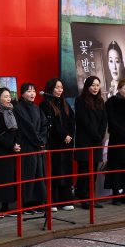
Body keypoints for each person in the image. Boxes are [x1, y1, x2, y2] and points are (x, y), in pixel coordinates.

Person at [39, 78, 76, 211]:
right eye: (56, 87)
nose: (59, 90)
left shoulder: (65, 104)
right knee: (54, 171)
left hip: (67, 143)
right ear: (50, 89)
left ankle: (65, 200)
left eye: (61, 88)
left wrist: (69, 135)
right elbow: (52, 124)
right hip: (54, 143)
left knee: (66, 170)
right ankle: (53, 200)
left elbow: (72, 121)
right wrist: (63, 135)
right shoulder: (45, 105)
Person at [13, 83, 48, 214]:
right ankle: (26, 204)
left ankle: (37, 203)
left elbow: (44, 125)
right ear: (22, 94)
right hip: (27, 145)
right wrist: (38, 141)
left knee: (39, 174)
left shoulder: (37, 108)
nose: (32, 93)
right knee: (28, 174)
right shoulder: (18, 109)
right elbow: (27, 128)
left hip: (38, 146)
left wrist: (42, 140)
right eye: (28, 91)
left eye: (33, 91)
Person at [0, 88, 21, 217]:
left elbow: (16, 131)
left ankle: (6, 207)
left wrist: (16, 144)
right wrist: (11, 145)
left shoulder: (12, 112)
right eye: (5, 96)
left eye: (9, 96)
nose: (8, 98)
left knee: (9, 179)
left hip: (11, 150)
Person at [74, 76, 107, 209]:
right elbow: (83, 121)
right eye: (93, 85)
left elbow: (104, 120)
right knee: (84, 171)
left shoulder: (100, 101)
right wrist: (95, 134)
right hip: (85, 141)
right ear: (87, 86)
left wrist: (101, 134)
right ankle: (83, 198)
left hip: (97, 141)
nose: (95, 88)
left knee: (93, 171)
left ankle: (91, 197)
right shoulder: (80, 100)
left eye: (97, 85)